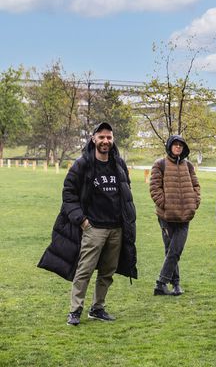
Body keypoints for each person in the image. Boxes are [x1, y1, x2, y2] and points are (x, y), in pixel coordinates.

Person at [38, 122, 138, 326]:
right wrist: (82, 222)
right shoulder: (82, 164)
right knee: (84, 270)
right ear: (93, 139)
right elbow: (68, 195)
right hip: (93, 228)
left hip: (116, 228)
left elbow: (126, 193)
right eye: (101, 137)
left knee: (107, 272)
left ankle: (97, 308)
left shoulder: (118, 163)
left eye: (109, 137)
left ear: (113, 139)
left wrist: (126, 222)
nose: (105, 141)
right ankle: (75, 310)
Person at [149, 135, 201, 296]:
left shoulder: (189, 166)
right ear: (170, 147)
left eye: (181, 145)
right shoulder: (160, 164)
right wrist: (165, 205)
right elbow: (154, 188)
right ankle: (172, 284)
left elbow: (195, 185)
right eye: (175, 145)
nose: (178, 147)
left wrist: (194, 202)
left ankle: (163, 283)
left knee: (174, 249)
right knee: (172, 250)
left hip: (185, 216)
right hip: (166, 216)